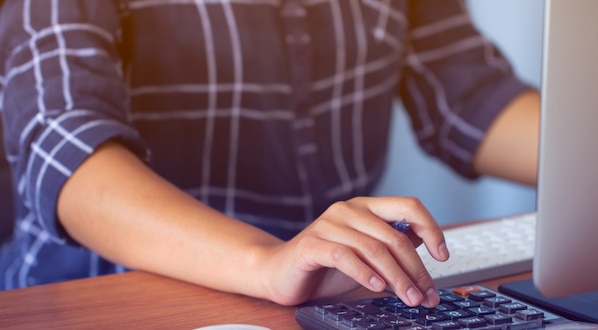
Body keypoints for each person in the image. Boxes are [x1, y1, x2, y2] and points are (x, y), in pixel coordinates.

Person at [0, 0, 540, 308]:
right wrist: (268, 262)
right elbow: (64, 150)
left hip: (326, 298)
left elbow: (471, 99)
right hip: (104, 299)